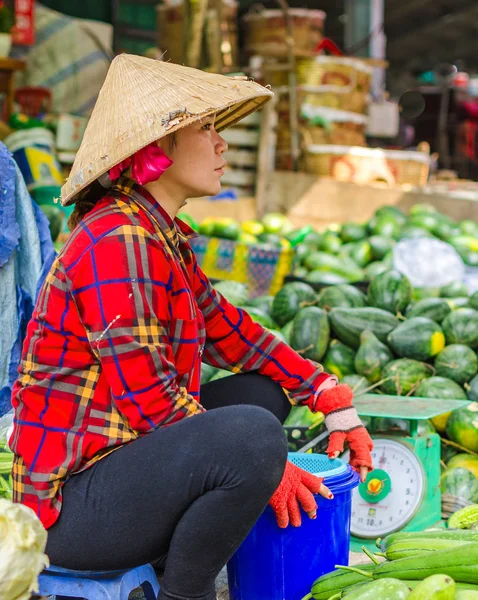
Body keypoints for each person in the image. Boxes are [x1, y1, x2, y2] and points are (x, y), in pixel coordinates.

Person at [9, 54, 373, 600]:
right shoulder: (117, 241)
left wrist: (328, 394)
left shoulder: (158, 234)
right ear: (156, 150)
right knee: (252, 435)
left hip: (118, 469)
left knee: (259, 396)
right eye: (205, 129)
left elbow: (232, 331)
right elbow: (151, 401)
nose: (222, 143)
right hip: (70, 514)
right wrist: (264, 463)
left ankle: (168, 554)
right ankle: (187, 591)